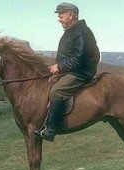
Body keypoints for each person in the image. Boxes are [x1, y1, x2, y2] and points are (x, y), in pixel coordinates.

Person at [34, 2, 100, 142]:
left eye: (61, 15)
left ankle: (51, 129)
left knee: (56, 91)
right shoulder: (73, 31)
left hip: (81, 72)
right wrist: (58, 66)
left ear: (71, 15)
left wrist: (59, 67)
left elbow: (79, 57)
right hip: (72, 69)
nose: (59, 18)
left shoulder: (81, 31)